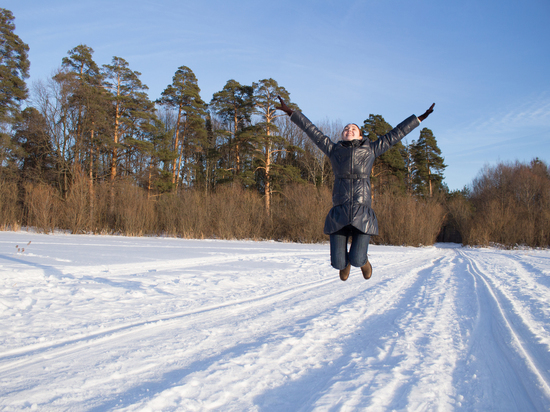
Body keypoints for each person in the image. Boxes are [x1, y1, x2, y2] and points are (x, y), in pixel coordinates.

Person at [276, 96, 434, 281]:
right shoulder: (334, 150)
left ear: (360, 135)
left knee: (358, 259)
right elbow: (312, 131)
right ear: (342, 135)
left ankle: (363, 263)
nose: (348, 130)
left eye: (353, 129)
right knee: (338, 264)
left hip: (362, 212)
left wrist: (419, 118)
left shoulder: (371, 150)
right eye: (346, 129)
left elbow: (396, 134)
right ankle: (344, 263)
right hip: (340, 212)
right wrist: (292, 113)